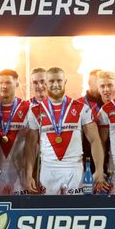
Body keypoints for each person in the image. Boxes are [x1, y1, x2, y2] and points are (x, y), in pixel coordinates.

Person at [24, 67, 106, 195]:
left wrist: (99, 170)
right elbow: (30, 145)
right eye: (51, 81)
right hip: (48, 171)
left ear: (65, 82)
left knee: (75, 212)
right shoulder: (35, 111)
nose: (55, 84)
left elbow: (95, 140)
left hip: (74, 170)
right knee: (49, 213)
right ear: (46, 83)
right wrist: (29, 175)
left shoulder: (81, 108)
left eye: (59, 81)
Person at [0, 69, 33, 195]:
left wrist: (29, 174)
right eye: (1, 83)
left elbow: (32, 145)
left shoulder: (27, 108)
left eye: (8, 83)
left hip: (19, 175)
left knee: (20, 213)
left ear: (17, 84)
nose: (4, 86)